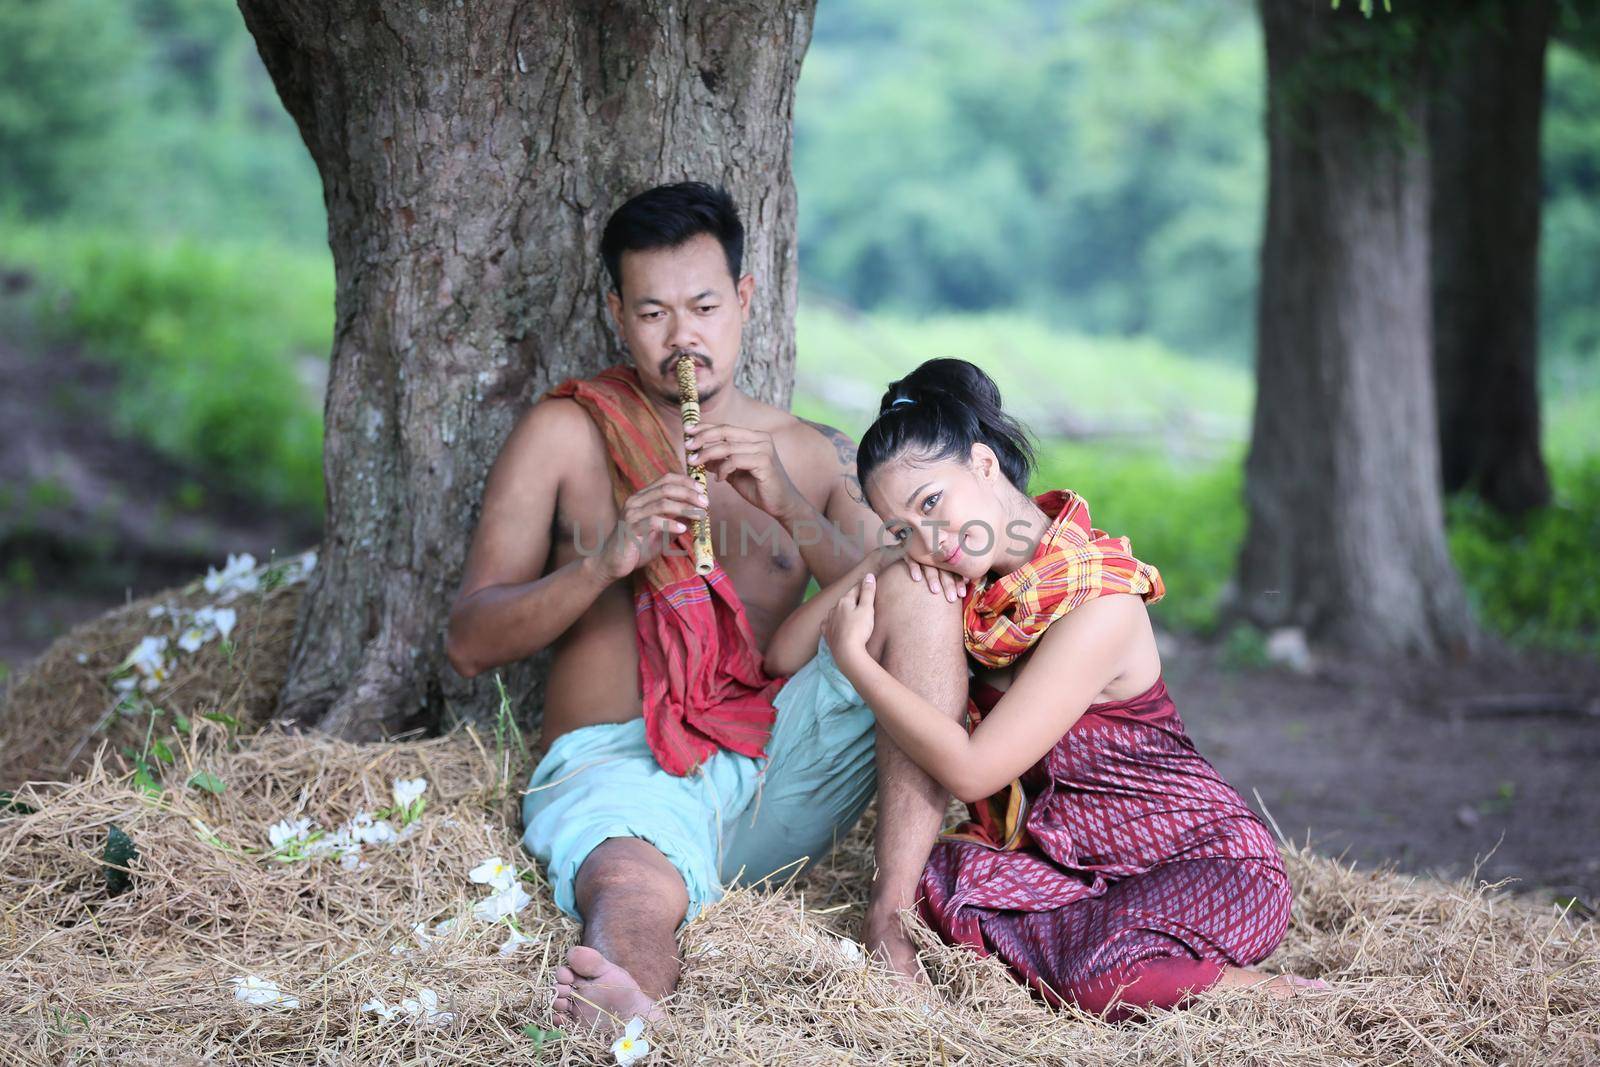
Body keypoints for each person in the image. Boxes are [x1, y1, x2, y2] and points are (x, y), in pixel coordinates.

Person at [443, 183, 970, 1031]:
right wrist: (606, 559)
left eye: (704, 305)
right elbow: (468, 641)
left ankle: (891, 917)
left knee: (922, 592)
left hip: (770, 770)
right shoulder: (567, 431)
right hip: (622, 770)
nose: (682, 336)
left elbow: (906, 573)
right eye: (653, 312)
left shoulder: (810, 450)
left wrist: (791, 505)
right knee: (631, 885)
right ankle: (628, 1011)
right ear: (617, 312)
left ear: (746, 299)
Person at [783, 357, 1322, 1017]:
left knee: (1096, 979)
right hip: (1077, 867)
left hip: (1205, 863)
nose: (929, 540)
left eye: (932, 504)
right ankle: (1104, 955)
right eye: (904, 528)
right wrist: (880, 556)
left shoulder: (1102, 602)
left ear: (983, 465)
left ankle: (1268, 992)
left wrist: (860, 665)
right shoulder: (963, 580)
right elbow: (781, 650)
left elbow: (973, 773)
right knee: (934, 884)